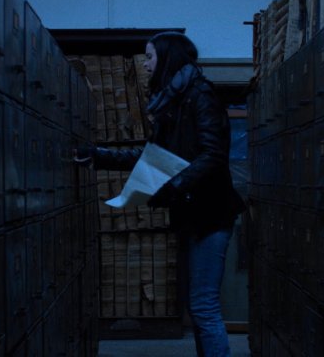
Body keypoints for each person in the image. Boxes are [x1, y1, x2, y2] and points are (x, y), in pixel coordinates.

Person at [75, 31, 245, 357]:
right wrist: (99, 155)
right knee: (198, 307)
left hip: (211, 215)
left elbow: (212, 155)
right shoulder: (173, 102)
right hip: (192, 214)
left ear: (168, 57)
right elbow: (152, 155)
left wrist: (173, 185)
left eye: (150, 57)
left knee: (204, 305)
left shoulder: (200, 96)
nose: (146, 64)